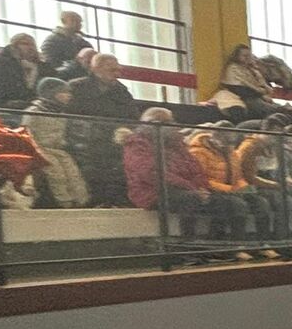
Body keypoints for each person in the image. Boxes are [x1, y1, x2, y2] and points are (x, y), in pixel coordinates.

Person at [122, 109, 248, 257]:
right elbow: (151, 173)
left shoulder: (177, 143)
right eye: (162, 122)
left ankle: (222, 248)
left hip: (187, 190)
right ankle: (188, 251)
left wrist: (202, 188)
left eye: (169, 121)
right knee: (190, 199)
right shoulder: (136, 144)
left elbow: (195, 169)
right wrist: (192, 188)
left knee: (233, 203)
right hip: (153, 192)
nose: (168, 125)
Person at [187, 124, 277, 257]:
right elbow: (201, 179)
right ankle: (237, 246)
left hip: (232, 190)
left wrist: (243, 187)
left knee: (261, 202)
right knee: (238, 205)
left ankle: (263, 244)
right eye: (226, 141)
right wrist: (229, 189)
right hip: (210, 192)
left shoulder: (231, 152)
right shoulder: (198, 152)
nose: (229, 145)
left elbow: (238, 176)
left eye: (231, 141)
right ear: (215, 137)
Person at [66, 52, 137, 205]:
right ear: (96, 68)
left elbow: (133, 118)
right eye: (112, 70)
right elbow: (69, 118)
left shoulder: (122, 92)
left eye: (118, 70)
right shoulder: (76, 87)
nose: (117, 74)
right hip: (84, 142)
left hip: (114, 142)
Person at [23, 78, 89, 207]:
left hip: (59, 149)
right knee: (56, 174)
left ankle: (81, 201)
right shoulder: (33, 111)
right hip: (40, 149)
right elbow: (26, 132)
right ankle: (64, 202)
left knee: (73, 173)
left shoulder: (61, 112)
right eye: (63, 92)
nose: (68, 95)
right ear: (51, 93)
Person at [0, 33, 44, 107]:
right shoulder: (3, 64)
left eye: (33, 45)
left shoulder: (44, 67)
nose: (31, 47)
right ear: (14, 46)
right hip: (10, 105)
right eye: (25, 44)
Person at [41, 11, 91, 76]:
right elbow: (51, 63)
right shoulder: (51, 41)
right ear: (63, 21)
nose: (78, 24)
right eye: (73, 20)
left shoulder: (84, 43)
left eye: (79, 22)